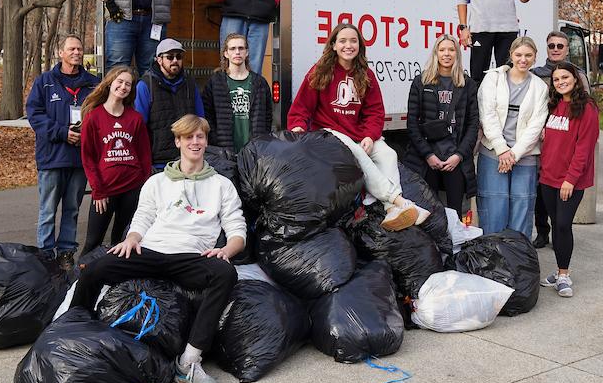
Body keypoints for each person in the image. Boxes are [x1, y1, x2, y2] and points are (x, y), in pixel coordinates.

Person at [70, 115, 244, 383]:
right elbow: (143, 218)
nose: (195, 142)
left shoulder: (221, 185)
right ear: (178, 142)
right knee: (93, 269)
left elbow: (237, 229)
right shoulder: (157, 182)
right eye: (189, 137)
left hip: (191, 256)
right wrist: (132, 238)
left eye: (200, 137)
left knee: (225, 273)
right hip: (151, 250)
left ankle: (188, 361)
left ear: (206, 141)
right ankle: (72, 329)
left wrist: (227, 250)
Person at [288, 22, 425, 231]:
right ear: (333, 45)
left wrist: (370, 136)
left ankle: (391, 210)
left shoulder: (366, 75)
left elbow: (375, 112)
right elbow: (301, 107)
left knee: (388, 154)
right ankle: (398, 201)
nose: (348, 45)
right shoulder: (320, 71)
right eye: (342, 41)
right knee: (357, 154)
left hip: (357, 134)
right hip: (328, 133)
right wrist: (297, 127)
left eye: (353, 41)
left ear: (360, 45)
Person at [25, 34, 101, 271]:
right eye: (71, 49)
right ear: (61, 53)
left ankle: (66, 253)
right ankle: (46, 255)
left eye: (79, 49)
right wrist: (61, 132)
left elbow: (101, 115)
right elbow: (34, 114)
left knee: (72, 208)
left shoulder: (92, 84)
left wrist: (87, 136)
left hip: (79, 159)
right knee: (48, 210)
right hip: (52, 157)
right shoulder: (45, 82)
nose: (76, 52)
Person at [476, 37, 549, 240]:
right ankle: (492, 256)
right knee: (493, 207)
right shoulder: (493, 78)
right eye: (518, 55)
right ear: (511, 55)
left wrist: (513, 154)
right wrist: (502, 149)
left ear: (535, 58)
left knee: (522, 207)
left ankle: (517, 257)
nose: (523, 60)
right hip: (493, 153)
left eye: (528, 55)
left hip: (524, 156)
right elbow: (487, 114)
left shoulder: (539, 87)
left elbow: (536, 125)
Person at [538, 62, 600, 298]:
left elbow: (584, 148)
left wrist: (570, 180)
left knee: (564, 225)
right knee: (556, 225)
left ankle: (563, 275)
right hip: (548, 177)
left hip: (569, 181)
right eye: (556, 79)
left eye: (565, 77)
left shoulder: (587, 108)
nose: (561, 81)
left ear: (575, 79)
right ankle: (558, 269)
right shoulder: (553, 105)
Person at [402, 34, 479, 217]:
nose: (447, 54)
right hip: (428, 159)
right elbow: (412, 123)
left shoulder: (467, 84)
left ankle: (454, 245)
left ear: (457, 54)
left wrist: (459, 155)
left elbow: (473, 124)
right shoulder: (421, 82)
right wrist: (428, 155)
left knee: (455, 212)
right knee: (428, 212)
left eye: (451, 50)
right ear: (436, 53)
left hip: (455, 159)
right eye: (442, 49)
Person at [79, 66, 152, 255]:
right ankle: (80, 281)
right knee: (93, 241)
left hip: (132, 188)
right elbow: (88, 157)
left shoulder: (135, 118)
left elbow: (144, 155)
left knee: (121, 240)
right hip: (105, 189)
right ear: (110, 82)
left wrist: (142, 185)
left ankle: (116, 281)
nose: (123, 86)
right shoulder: (93, 117)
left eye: (128, 84)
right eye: (120, 81)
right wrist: (98, 190)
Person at [531, 29, 590, 247]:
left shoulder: (578, 74)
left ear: (566, 49)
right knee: (540, 192)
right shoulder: (536, 74)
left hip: (565, 140)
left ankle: (560, 234)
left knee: (562, 197)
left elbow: (584, 107)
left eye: (560, 46)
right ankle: (542, 232)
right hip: (539, 139)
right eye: (551, 46)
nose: (555, 49)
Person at [134, 38, 204, 169]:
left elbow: (201, 121)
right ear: (159, 60)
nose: (175, 60)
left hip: (188, 160)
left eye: (179, 56)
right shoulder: (145, 85)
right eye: (170, 57)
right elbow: (139, 128)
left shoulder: (190, 84)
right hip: (158, 163)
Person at [202, 33, 273, 152]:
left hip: (255, 151)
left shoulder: (260, 82)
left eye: (241, 48)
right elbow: (207, 114)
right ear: (226, 53)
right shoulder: (215, 82)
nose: (237, 52)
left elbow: (267, 116)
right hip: (224, 149)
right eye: (232, 48)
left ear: (247, 52)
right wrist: (215, 140)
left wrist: (262, 140)